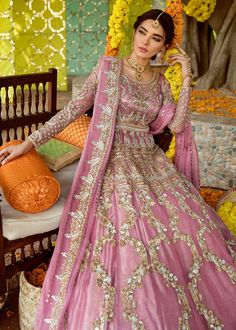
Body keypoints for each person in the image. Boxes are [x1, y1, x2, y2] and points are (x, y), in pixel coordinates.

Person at [0, 9, 236, 330]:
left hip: (149, 162)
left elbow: (178, 124)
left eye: (156, 38)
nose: (145, 41)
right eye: (142, 32)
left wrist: (187, 80)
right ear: (134, 32)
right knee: (130, 231)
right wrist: (28, 143)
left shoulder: (160, 83)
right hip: (113, 160)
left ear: (163, 46)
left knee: (185, 225)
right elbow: (72, 110)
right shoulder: (108, 69)